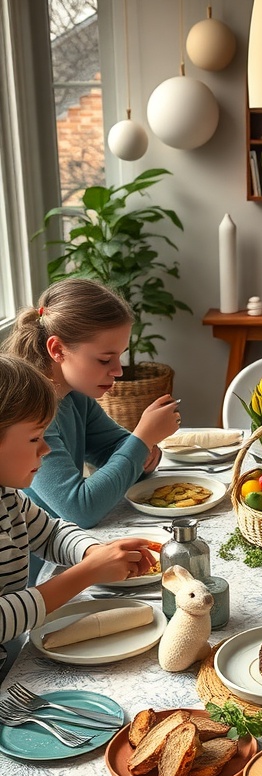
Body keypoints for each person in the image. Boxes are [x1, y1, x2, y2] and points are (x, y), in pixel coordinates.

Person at [0, 355, 157, 650]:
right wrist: (88, 572)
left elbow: (51, 534)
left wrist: (95, 551)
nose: (45, 449)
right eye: (35, 439)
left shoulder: (8, 496)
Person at [2, 278, 181, 529]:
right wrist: (143, 438)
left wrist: (144, 449)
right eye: (104, 359)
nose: (118, 370)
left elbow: (119, 450)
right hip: (33, 560)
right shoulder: (30, 413)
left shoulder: (75, 397)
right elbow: (81, 509)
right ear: (57, 349)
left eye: (119, 356)